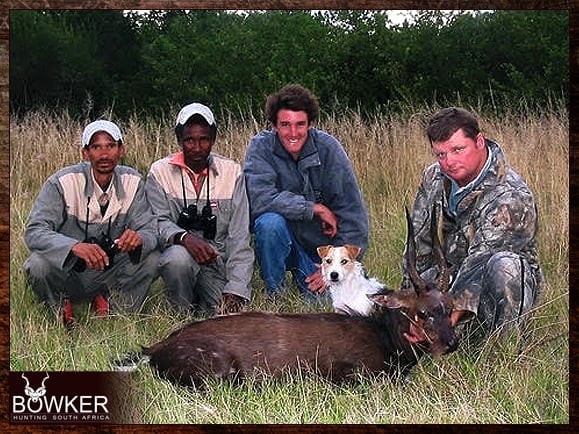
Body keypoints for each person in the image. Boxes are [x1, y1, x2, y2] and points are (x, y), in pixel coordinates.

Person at [403, 107, 544, 344]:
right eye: (441, 154)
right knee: (426, 279)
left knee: (505, 267)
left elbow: (477, 265)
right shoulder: (435, 177)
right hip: (453, 272)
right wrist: (410, 305)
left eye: (458, 149)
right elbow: (418, 240)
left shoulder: (510, 197)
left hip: (494, 282)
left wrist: (442, 324)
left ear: (479, 141)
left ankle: (503, 353)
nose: (449, 162)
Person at [24, 120, 160, 328]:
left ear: (121, 150)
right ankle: (60, 311)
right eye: (96, 147)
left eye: (111, 146)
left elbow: (151, 230)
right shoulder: (62, 182)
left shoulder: (133, 181)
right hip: (71, 271)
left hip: (109, 270)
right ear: (85, 153)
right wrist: (73, 247)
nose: (104, 154)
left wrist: (139, 239)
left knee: (153, 258)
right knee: (37, 264)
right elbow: (34, 231)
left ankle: (117, 314)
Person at [243, 84, 369, 298]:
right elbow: (259, 199)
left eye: (300, 124)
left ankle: (312, 281)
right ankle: (275, 295)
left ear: (310, 124)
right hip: (279, 241)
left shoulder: (329, 150)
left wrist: (331, 268)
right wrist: (314, 209)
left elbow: (352, 215)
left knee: (323, 308)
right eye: (285, 124)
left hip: (320, 254)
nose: (293, 133)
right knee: (269, 223)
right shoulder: (260, 148)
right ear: (274, 125)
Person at [145, 103, 253, 315]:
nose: (196, 147)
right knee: (177, 258)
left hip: (216, 262)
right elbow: (156, 222)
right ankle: (180, 312)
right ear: (179, 139)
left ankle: (208, 302)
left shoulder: (232, 172)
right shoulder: (160, 172)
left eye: (203, 139)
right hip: (180, 256)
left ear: (213, 139)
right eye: (189, 140)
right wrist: (184, 238)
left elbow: (240, 238)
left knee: (231, 319)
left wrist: (236, 289)